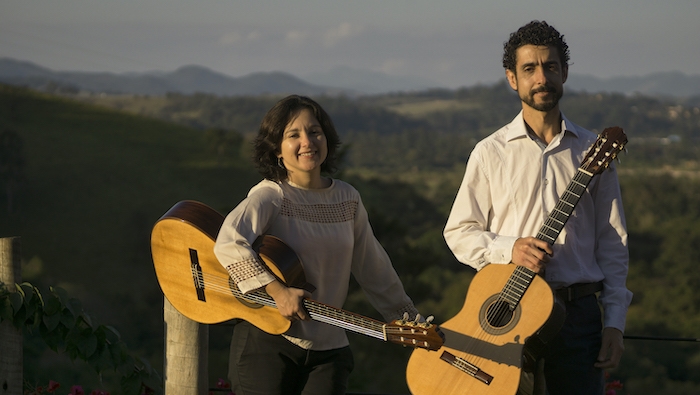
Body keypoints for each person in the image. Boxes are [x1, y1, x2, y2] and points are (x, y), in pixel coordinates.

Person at [443, 20, 632, 394]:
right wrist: (508, 248)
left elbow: (613, 244)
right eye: (529, 69)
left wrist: (615, 321)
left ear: (564, 73)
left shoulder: (592, 150)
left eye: (550, 67)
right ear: (512, 79)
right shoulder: (490, 152)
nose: (541, 77)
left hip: (578, 316)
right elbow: (459, 233)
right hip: (508, 312)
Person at [213, 94, 420, 395]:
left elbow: (373, 267)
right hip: (267, 345)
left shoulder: (348, 199)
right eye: (293, 135)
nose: (307, 142)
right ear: (277, 151)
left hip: (330, 350)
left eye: (314, 131)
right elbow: (228, 242)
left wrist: (405, 318)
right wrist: (277, 291)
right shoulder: (271, 195)